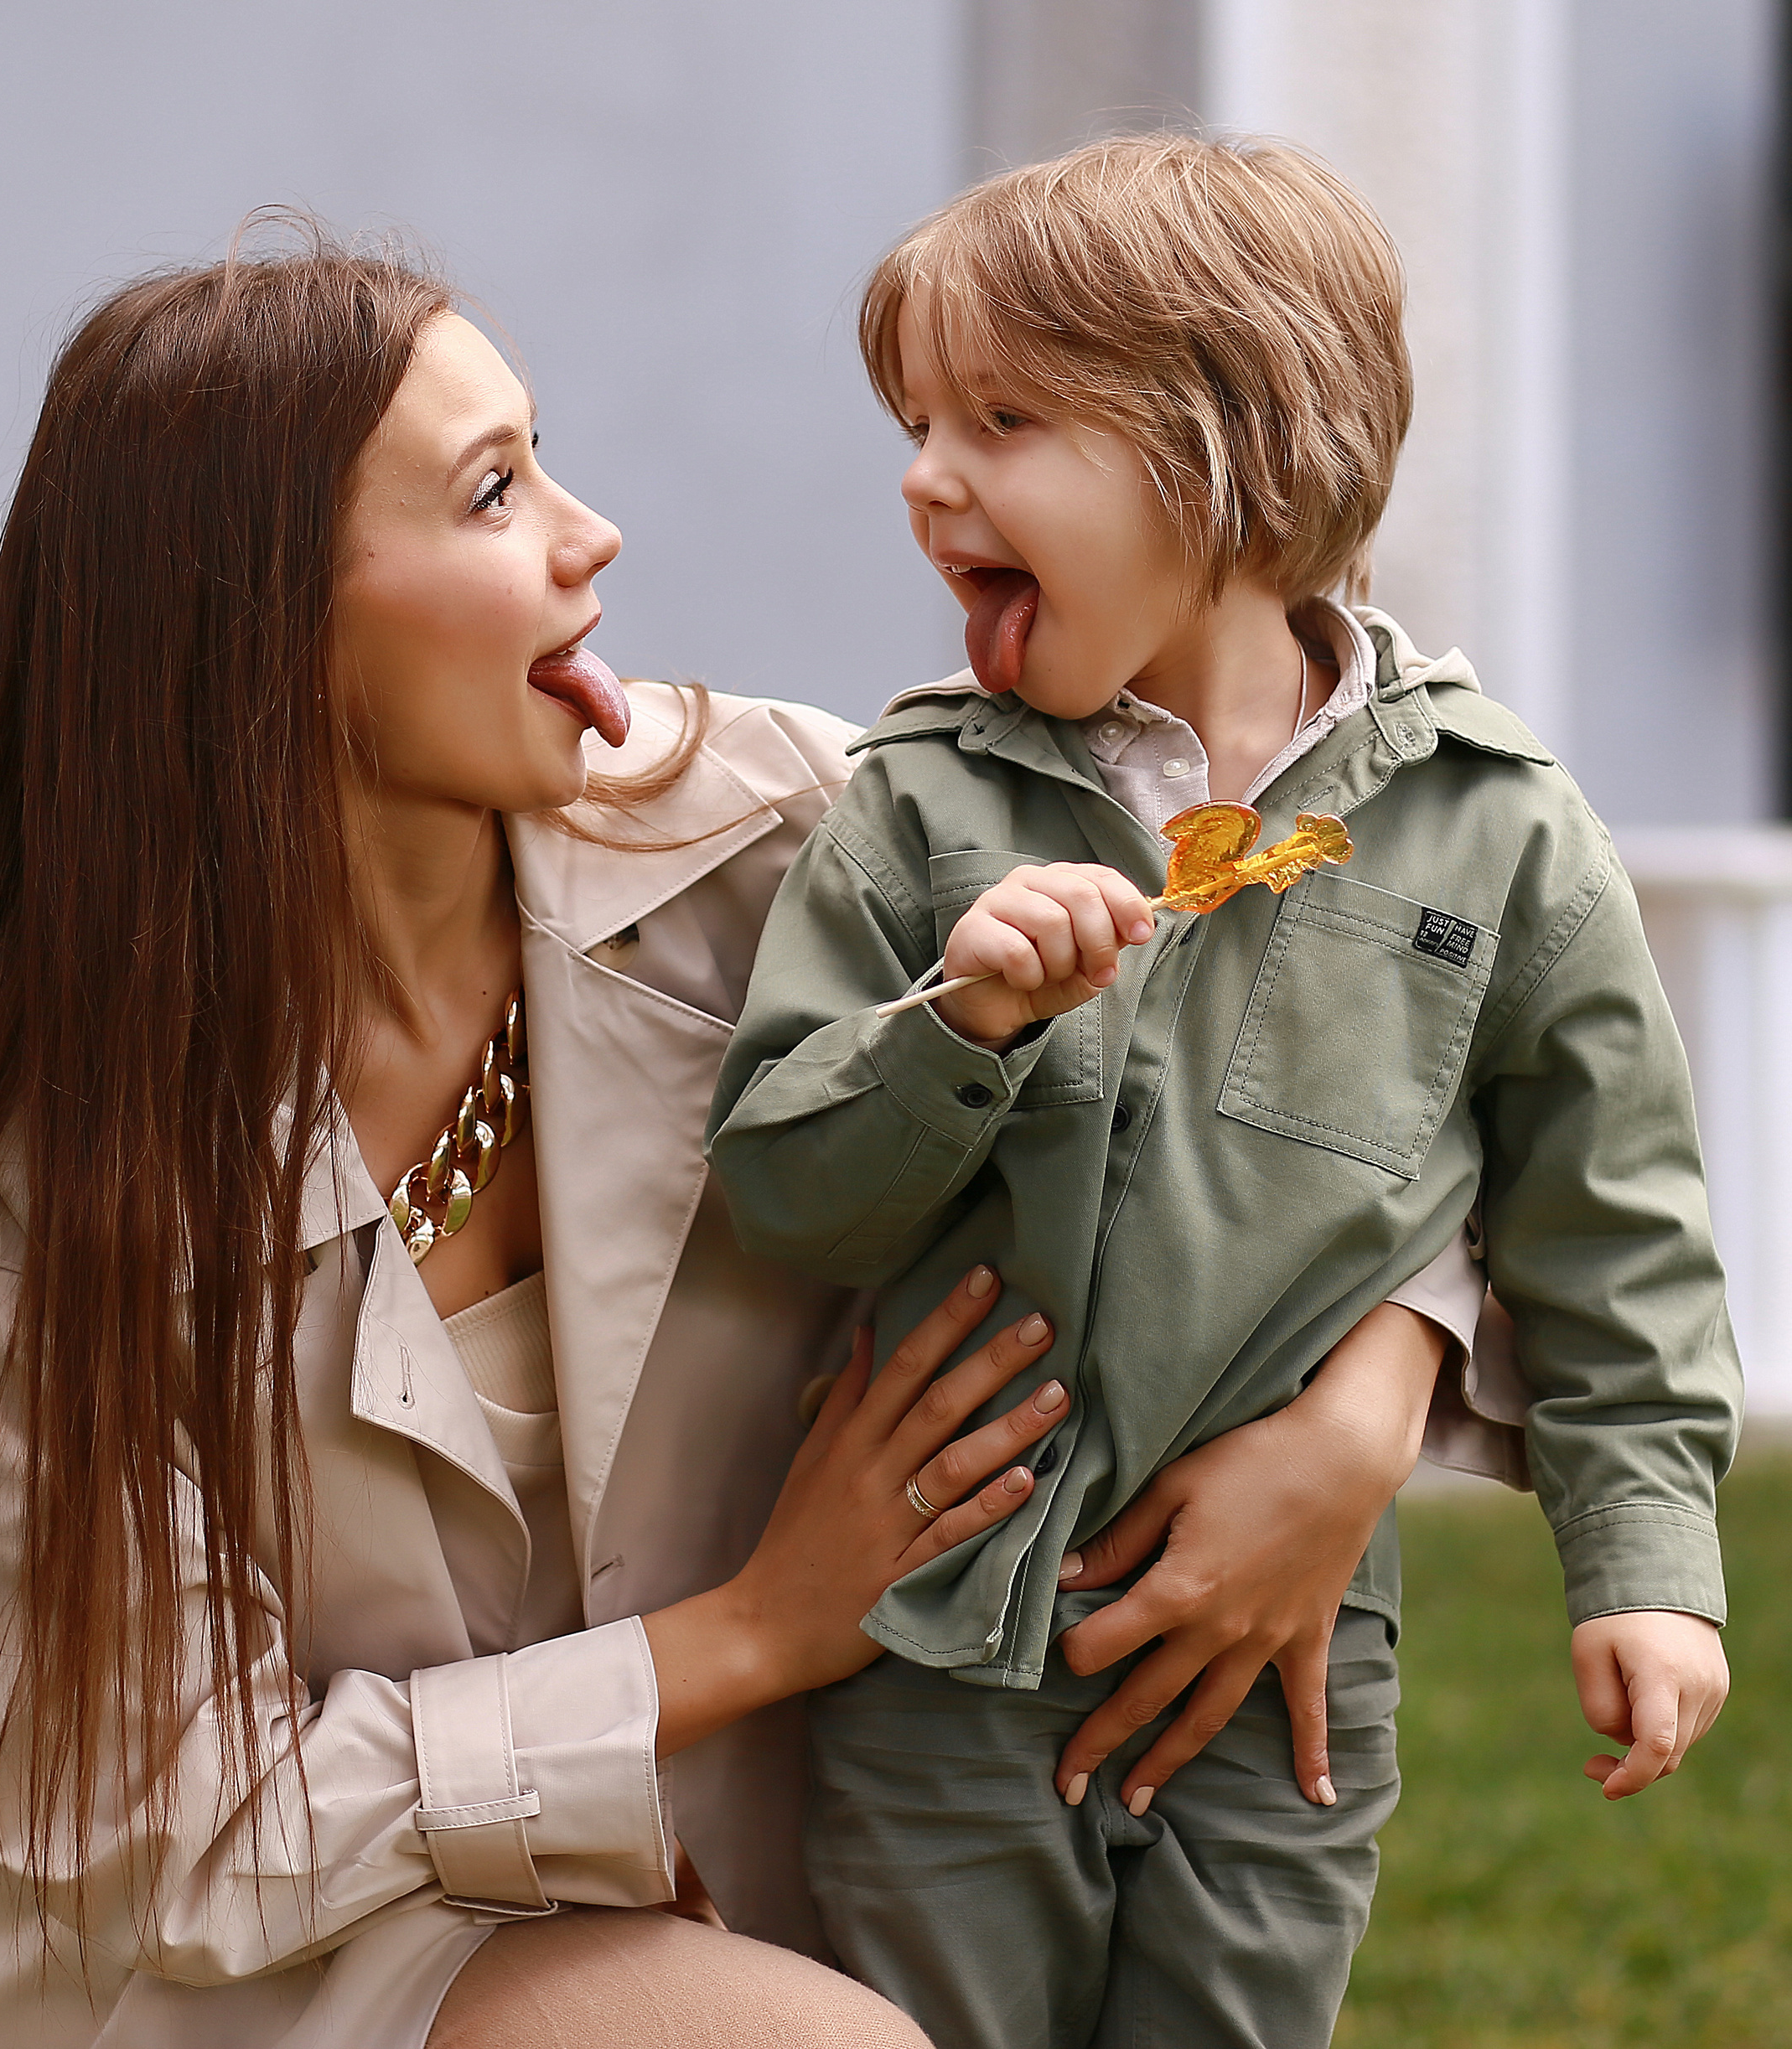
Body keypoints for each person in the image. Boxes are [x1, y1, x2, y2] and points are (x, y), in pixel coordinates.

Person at [0, 228, 1485, 2049]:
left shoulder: (784, 844)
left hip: (726, 1908)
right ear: (263, 625)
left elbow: (1385, 1020)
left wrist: (1359, 1413)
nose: (590, 537)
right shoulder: (22, 1180)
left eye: (545, 460)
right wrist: (752, 1631)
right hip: (252, 1983)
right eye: (492, 492)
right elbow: (185, 1842)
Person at [707, 134, 1742, 2049]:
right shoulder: (917, 804)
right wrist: (955, 1025)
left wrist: (1645, 1569)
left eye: (999, 419)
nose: (924, 475)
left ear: (1229, 445)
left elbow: (1608, 1223)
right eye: (914, 423)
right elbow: (781, 1190)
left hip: (1286, 1669)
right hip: (937, 1639)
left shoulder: (1497, 830)